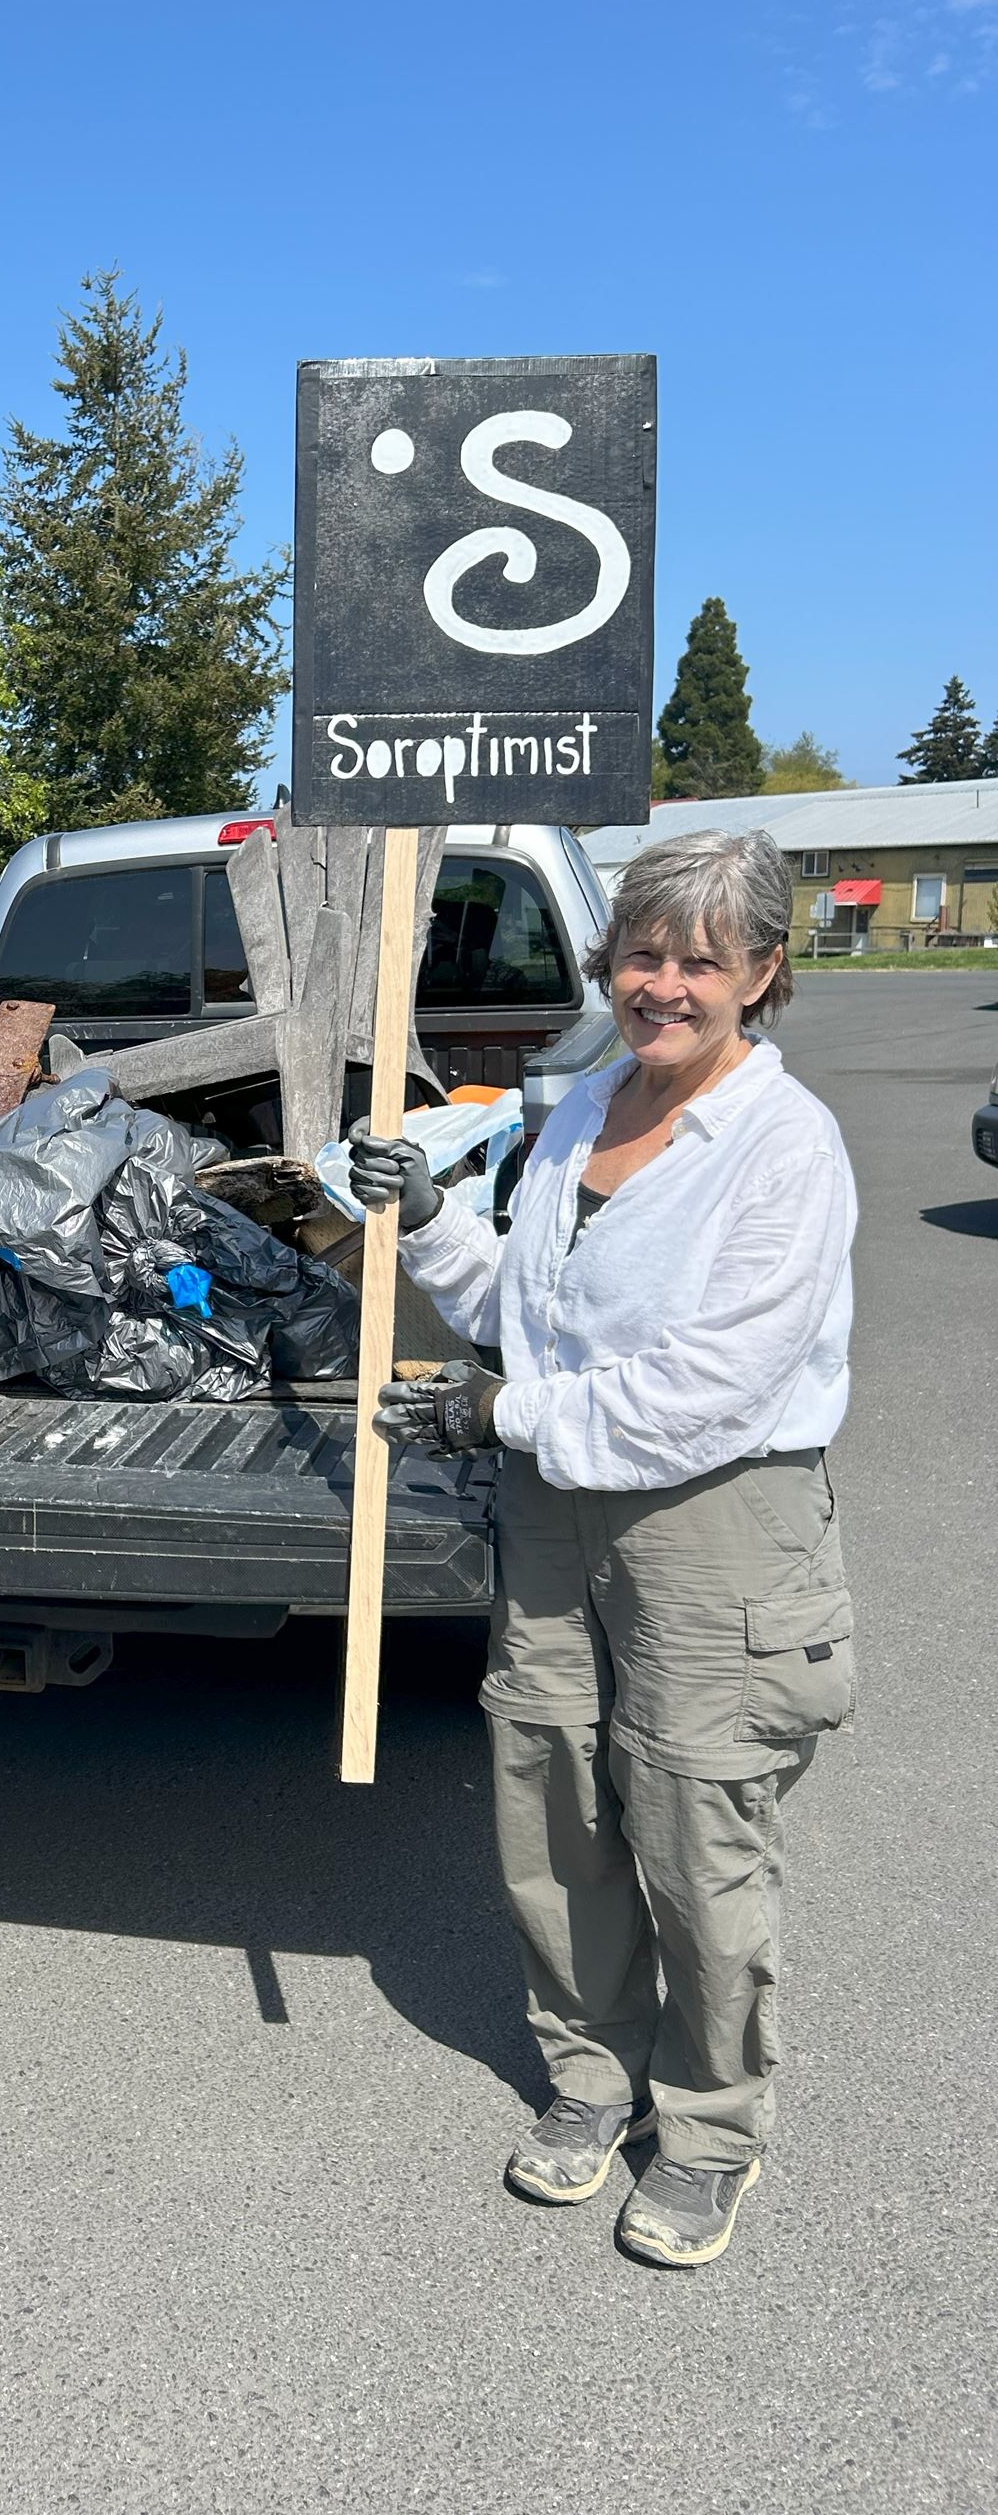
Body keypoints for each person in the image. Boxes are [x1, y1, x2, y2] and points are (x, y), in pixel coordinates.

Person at [348, 828, 855, 2269]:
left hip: (713, 1517)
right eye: (641, 954)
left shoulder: (784, 1145)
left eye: (701, 959)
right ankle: (591, 2074)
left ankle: (708, 2131)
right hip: (554, 1496)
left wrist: (494, 1414)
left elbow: (710, 1391)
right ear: (605, 963)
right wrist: (429, 1219)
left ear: (761, 972)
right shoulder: (582, 1106)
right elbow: (525, 1313)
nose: (664, 985)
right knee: (554, 1799)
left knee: (697, 1830)